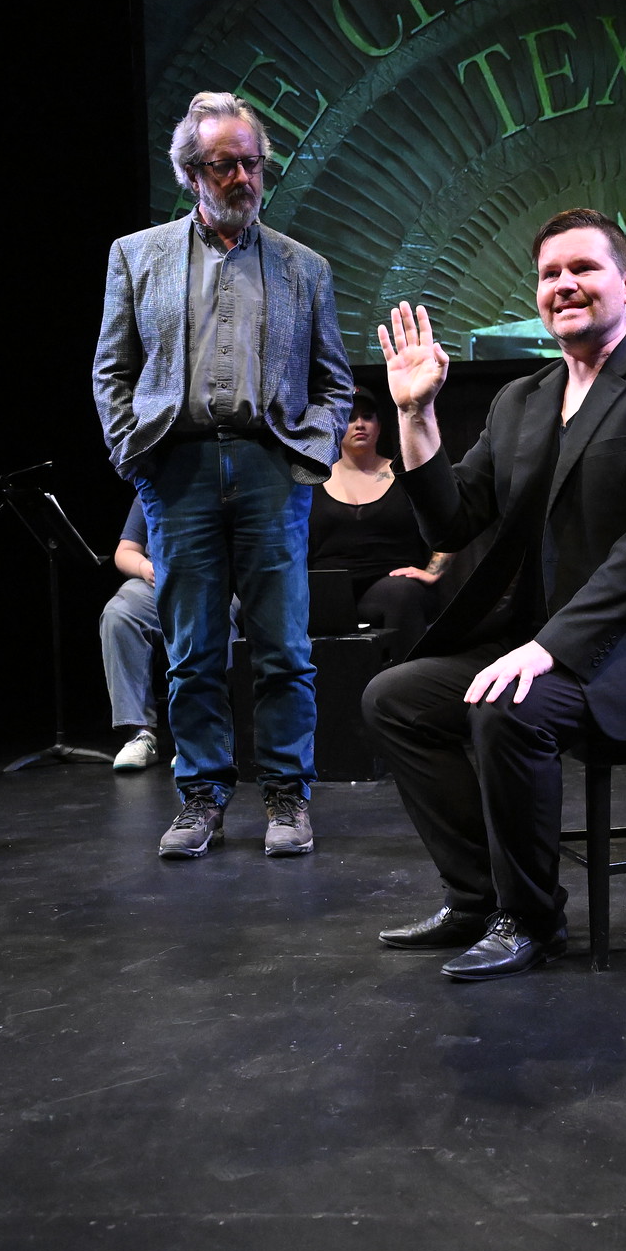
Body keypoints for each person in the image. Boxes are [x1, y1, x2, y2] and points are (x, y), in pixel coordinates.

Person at [364, 209, 626, 981]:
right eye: (550, 274)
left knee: (509, 705)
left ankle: (530, 918)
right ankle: (478, 895)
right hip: (548, 643)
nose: (564, 284)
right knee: (397, 696)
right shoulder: (520, 402)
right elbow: (455, 518)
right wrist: (414, 413)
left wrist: (548, 645)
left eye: (583, 268)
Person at [92, 90, 353, 860]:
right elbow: (113, 370)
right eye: (224, 164)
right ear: (190, 173)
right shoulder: (136, 256)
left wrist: (312, 451)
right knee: (193, 647)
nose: (243, 176)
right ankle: (201, 795)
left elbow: (334, 382)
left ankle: (286, 794)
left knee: (282, 645)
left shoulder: (306, 267)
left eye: (252, 162)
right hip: (178, 470)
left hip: (270, 466)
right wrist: (133, 458)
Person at [308, 387, 450, 663]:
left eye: (367, 416)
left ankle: (404, 691)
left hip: (390, 585)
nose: (359, 424)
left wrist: (434, 571)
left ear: (379, 425)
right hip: (329, 592)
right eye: (350, 417)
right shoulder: (313, 479)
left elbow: (450, 516)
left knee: (402, 595)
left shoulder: (405, 474)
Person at [99, 493, 163, 772]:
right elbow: (124, 551)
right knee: (119, 614)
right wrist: (144, 568)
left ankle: (203, 736)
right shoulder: (151, 487)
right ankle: (140, 733)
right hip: (156, 584)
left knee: (211, 618)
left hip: (214, 582)